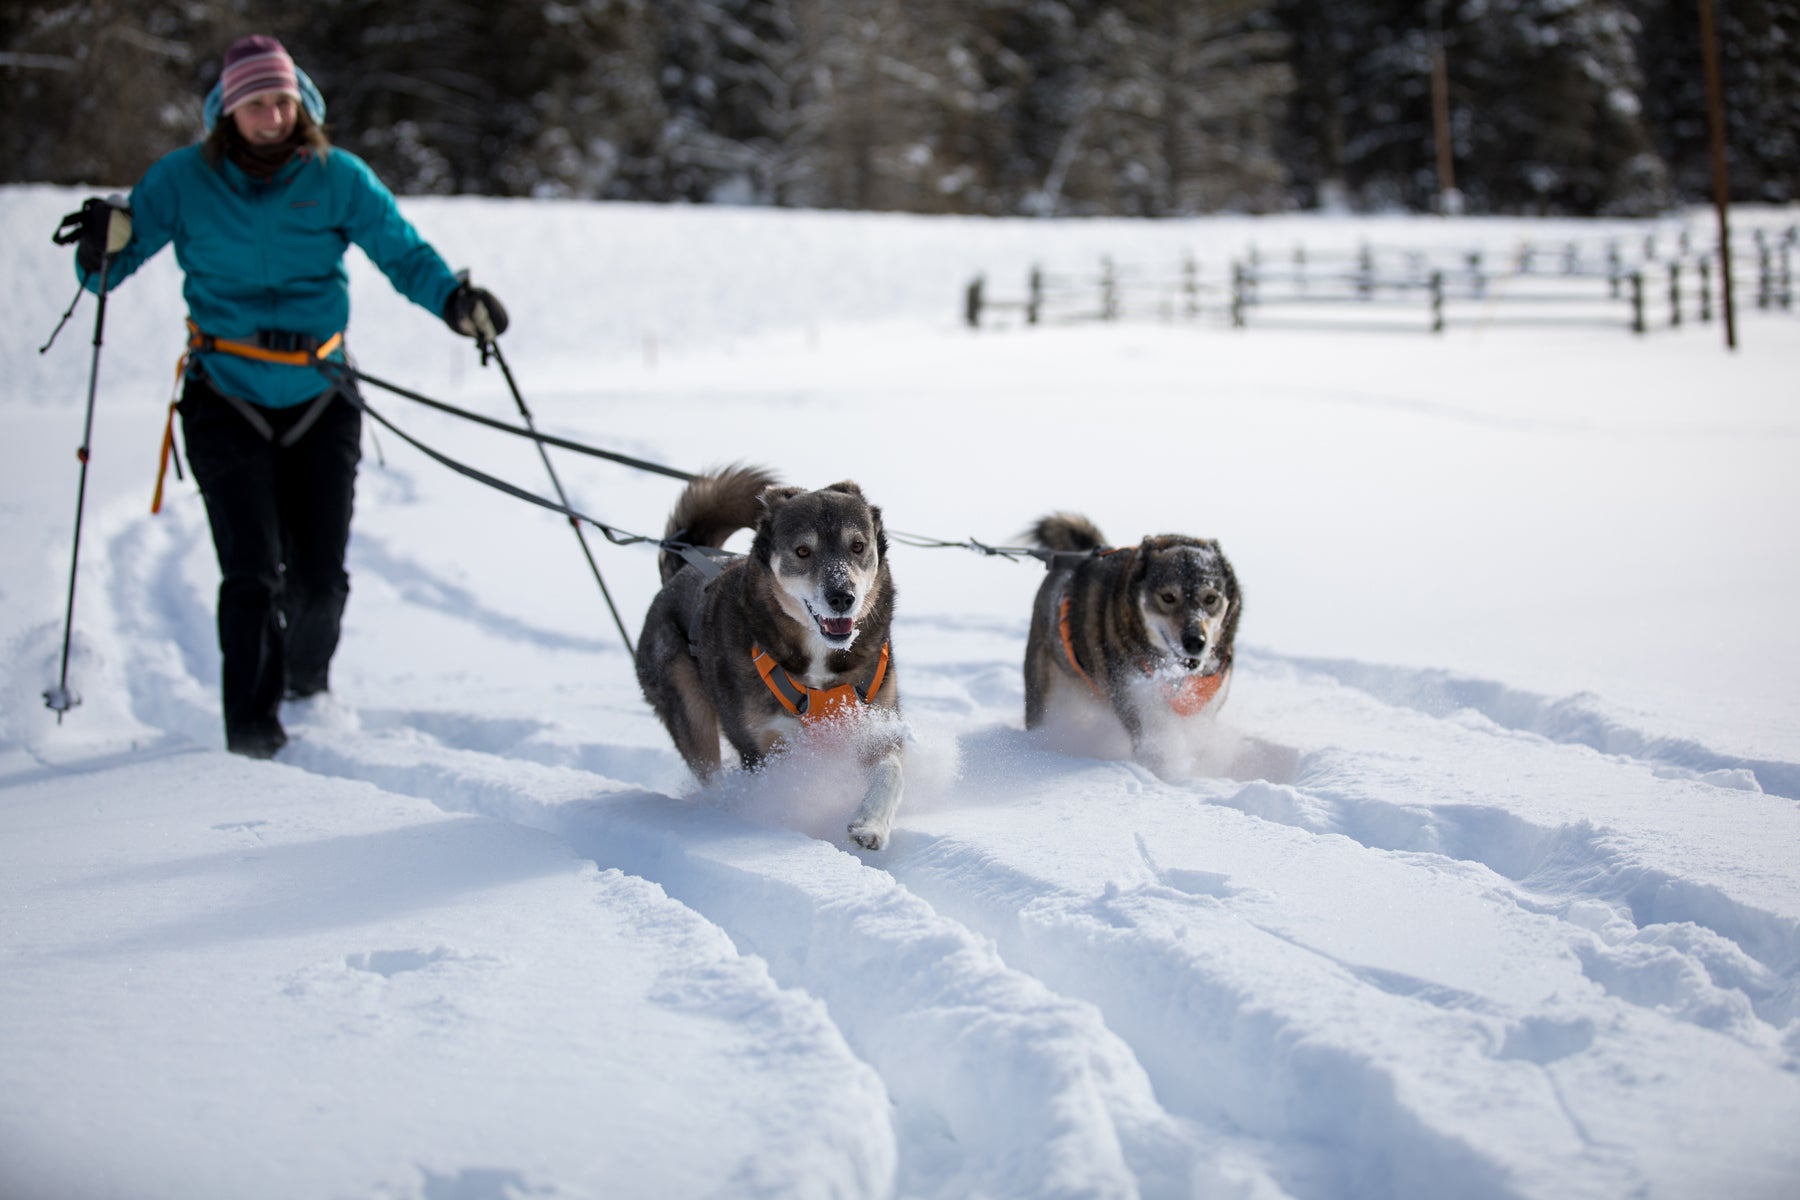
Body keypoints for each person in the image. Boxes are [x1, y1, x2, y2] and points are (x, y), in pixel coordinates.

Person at [63, 35, 508, 759]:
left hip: (320, 393)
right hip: (224, 393)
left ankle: (308, 683)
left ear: (300, 103)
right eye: (254, 104)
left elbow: (402, 254)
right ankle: (252, 736)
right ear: (226, 112)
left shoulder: (339, 178)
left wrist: (457, 302)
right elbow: (106, 273)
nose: (271, 115)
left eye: (281, 100)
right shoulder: (181, 181)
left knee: (319, 578)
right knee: (250, 574)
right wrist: (98, 247)